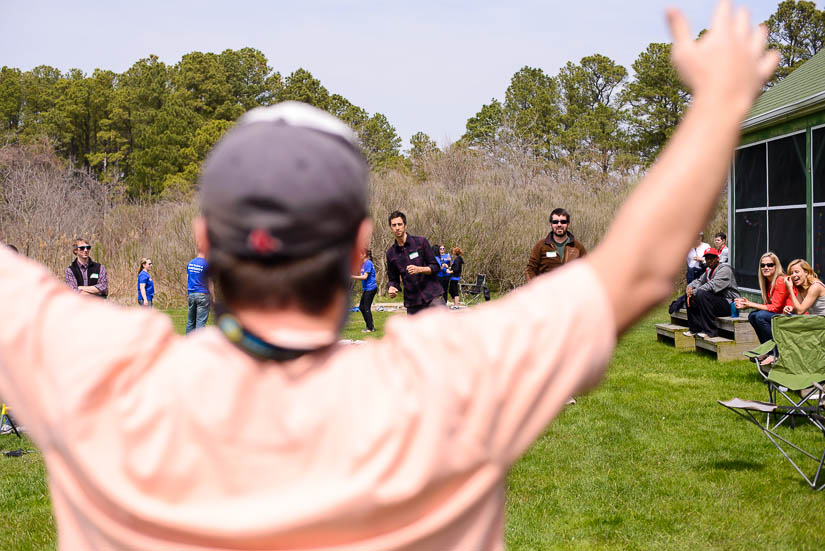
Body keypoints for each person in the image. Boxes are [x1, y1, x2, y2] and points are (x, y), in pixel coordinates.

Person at [0, 5, 778, 547]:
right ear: (358, 251)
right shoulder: (443, 387)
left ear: (205, 241)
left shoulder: (97, 375)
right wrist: (720, 100)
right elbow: (637, 269)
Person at [385, 210, 444, 314]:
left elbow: (436, 267)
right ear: (391, 228)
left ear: (405, 225)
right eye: (394, 225)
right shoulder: (391, 253)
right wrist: (392, 287)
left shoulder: (421, 242)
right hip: (413, 302)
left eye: (400, 224)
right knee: (415, 331)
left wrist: (420, 269)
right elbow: (393, 279)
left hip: (432, 297)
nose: (397, 227)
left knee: (444, 329)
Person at [734, 252, 791, 345]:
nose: (765, 267)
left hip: (791, 315)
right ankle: (766, 349)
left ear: (776, 266)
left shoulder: (780, 280)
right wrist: (746, 305)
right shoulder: (768, 282)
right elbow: (770, 306)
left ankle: (776, 350)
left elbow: (775, 308)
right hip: (781, 314)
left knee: (760, 316)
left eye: (770, 265)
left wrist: (751, 304)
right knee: (752, 316)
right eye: (763, 265)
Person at [683, 247, 741, 338]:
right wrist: (689, 287)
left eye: (711, 258)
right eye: (707, 258)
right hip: (718, 302)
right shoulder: (709, 270)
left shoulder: (725, 269)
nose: (709, 260)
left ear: (717, 258)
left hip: (731, 305)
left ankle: (710, 332)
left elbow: (712, 285)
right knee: (689, 295)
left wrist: (694, 292)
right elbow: (698, 281)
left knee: (701, 294)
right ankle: (695, 329)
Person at [525, 207, 587, 281]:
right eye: (555, 222)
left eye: (563, 222)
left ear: (568, 224)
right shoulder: (541, 246)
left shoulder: (578, 247)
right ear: (551, 224)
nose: (559, 225)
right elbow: (530, 270)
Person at [186, 250, 213, 333]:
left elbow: (187, 278)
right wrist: (213, 297)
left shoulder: (190, 263)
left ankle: (188, 342)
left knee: (190, 321)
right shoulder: (206, 264)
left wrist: (188, 292)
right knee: (200, 322)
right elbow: (209, 282)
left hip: (191, 294)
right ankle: (198, 344)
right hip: (202, 294)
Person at [351, 248, 377, 332]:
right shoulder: (363, 264)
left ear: (364, 255)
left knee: (366, 307)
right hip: (366, 288)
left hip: (371, 288)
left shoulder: (368, 263)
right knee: (361, 307)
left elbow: (365, 277)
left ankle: (370, 328)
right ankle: (369, 326)